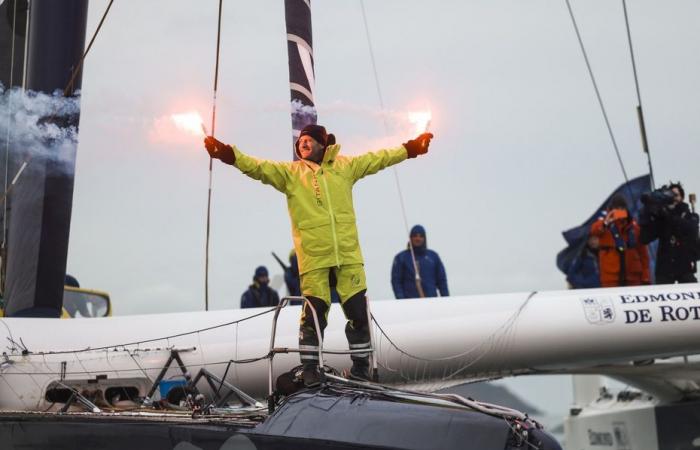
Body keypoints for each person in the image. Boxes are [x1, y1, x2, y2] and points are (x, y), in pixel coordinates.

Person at [204, 124, 433, 384]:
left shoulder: (346, 167)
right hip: (314, 259)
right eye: (300, 140)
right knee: (314, 314)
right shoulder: (291, 174)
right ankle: (311, 371)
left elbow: (379, 159)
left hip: (348, 256)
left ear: (322, 144)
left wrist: (411, 148)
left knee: (358, 313)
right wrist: (227, 154)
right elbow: (258, 167)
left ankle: (361, 372)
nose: (302, 143)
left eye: (309, 139)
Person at [639, 182, 699, 284]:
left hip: (684, 267)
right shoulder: (662, 217)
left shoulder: (689, 215)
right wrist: (647, 213)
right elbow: (644, 238)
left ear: (682, 198)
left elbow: (691, 229)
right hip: (665, 269)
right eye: (670, 195)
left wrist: (668, 215)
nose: (673, 198)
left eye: (676, 195)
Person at [589, 195, 650, 287]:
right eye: (617, 208)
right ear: (611, 209)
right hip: (610, 277)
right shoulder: (604, 226)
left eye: (622, 208)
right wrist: (606, 221)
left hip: (633, 276)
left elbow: (643, 254)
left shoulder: (634, 227)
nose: (619, 211)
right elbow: (594, 231)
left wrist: (646, 277)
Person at [391, 224, 449, 299]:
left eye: (421, 236)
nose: (418, 238)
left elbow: (442, 281)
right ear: (410, 238)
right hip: (410, 304)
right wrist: (401, 300)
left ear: (424, 238)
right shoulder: (401, 258)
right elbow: (396, 281)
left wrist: (446, 300)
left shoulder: (433, 257)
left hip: (431, 303)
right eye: (415, 235)